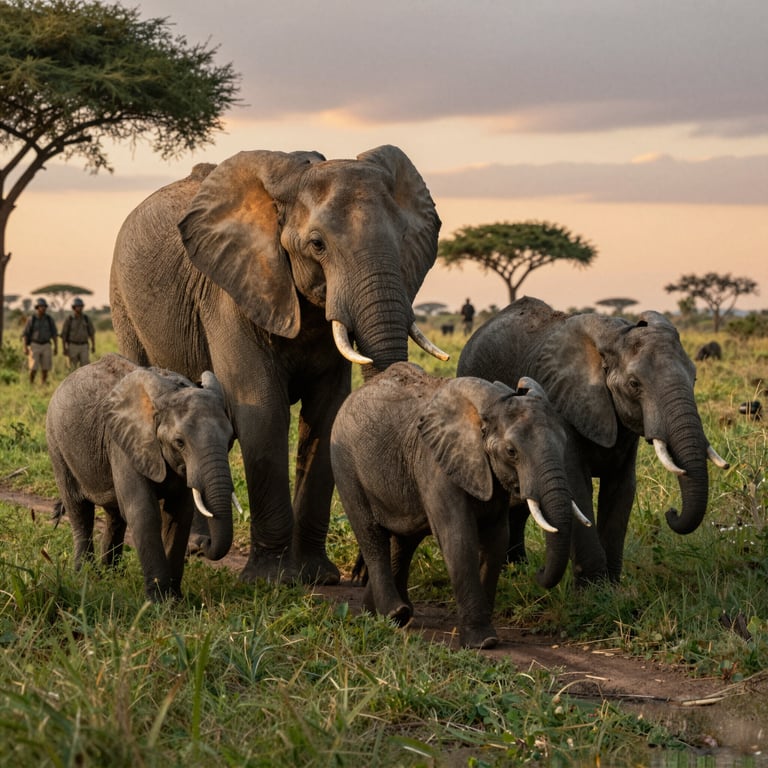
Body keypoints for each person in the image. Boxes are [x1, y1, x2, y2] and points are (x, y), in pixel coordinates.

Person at [22, 297, 58, 384]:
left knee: (45, 368)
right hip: (35, 345)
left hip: (46, 345)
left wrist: (56, 347)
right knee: (33, 367)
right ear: (37, 307)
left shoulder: (49, 319)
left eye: (44, 306)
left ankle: (43, 384)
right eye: (41, 306)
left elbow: (54, 334)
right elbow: (25, 334)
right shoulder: (31, 319)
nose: (43, 308)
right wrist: (25, 347)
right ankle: (31, 383)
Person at [61, 297, 96, 369]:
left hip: (84, 346)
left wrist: (93, 346)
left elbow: (91, 333)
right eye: (77, 306)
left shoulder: (86, 318)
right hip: (72, 346)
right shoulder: (69, 319)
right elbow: (64, 335)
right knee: (73, 368)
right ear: (74, 307)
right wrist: (64, 348)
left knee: (86, 368)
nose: (79, 308)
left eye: (81, 306)